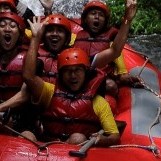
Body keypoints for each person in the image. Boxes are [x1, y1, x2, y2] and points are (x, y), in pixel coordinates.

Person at [20, 19, 121, 148]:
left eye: (77, 70)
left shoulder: (98, 102)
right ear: (61, 75)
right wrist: (35, 39)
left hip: (74, 153)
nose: (73, 76)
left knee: (77, 138)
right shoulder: (49, 92)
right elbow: (28, 77)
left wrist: (102, 140)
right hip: (47, 148)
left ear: (86, 73)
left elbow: (114, 136)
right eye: (67, 71)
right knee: (27, 135)